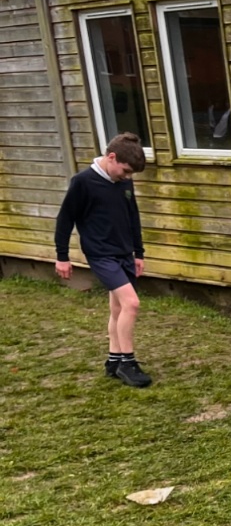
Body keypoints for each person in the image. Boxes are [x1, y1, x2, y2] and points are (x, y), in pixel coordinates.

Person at [54, 132, 151, 389]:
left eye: (131, 174)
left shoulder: (124, 182)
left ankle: (113, 360)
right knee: (131, 303)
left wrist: (138, 253)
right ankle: (128, 363)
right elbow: (65, 219)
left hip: (124, 253)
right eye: (125, 170)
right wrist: (62, 256)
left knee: (118, 308)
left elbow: (132, 216)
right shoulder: (83, 182)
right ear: (111, 157)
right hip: (100, 254)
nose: (127, 177)